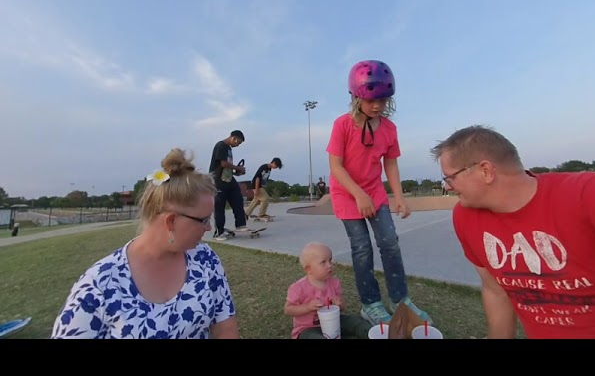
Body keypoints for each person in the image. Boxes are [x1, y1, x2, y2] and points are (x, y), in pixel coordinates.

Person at [430, 125, 595, 339]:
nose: (448, 187)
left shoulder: (590, 193)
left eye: (450, 178)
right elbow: (496, 290)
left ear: (486, 171)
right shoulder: (466, 217)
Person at [52, 148, 241, 339]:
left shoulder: (205, 259)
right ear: (171, 221)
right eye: (203, 220)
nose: (208, 228)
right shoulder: (97, 287)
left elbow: (225, 324)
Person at [326, 59, 433, 326]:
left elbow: (391, 163)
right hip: (346, 192)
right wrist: (359, 195)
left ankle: (401, 299)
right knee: (362, 248)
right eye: (371, 99)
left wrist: (398, 196)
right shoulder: (342, 125)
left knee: (389, 243)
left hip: (374, 190)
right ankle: (371, 304)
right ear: (355, 97)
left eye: (383, 100)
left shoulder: (389, 129)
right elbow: (336, 167)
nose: (377, 106)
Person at [284, 242, 371, 339]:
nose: (329, 265)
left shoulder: (334, 283)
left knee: (355, 321)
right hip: (308, 328)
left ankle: (372, 334)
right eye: (323, 262)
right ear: (309, 269)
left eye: (330, 260)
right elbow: (288, 310)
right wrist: (307, 307)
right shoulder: (298, 288)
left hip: (334, 322)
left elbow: (343, 307)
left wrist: (339, 304)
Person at [208, 130, 248, 240]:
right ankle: (218, 232)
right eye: (238, 143)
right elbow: (223, 164)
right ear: (233, 138)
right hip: (218, 180)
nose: (238, 145)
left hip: (228, 178)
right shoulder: (221, 146)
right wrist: (238, 168)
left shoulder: (229, 149)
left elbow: (227, 167)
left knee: (238, 199)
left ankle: (240, 224)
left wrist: (237, 172)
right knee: (220, 206)